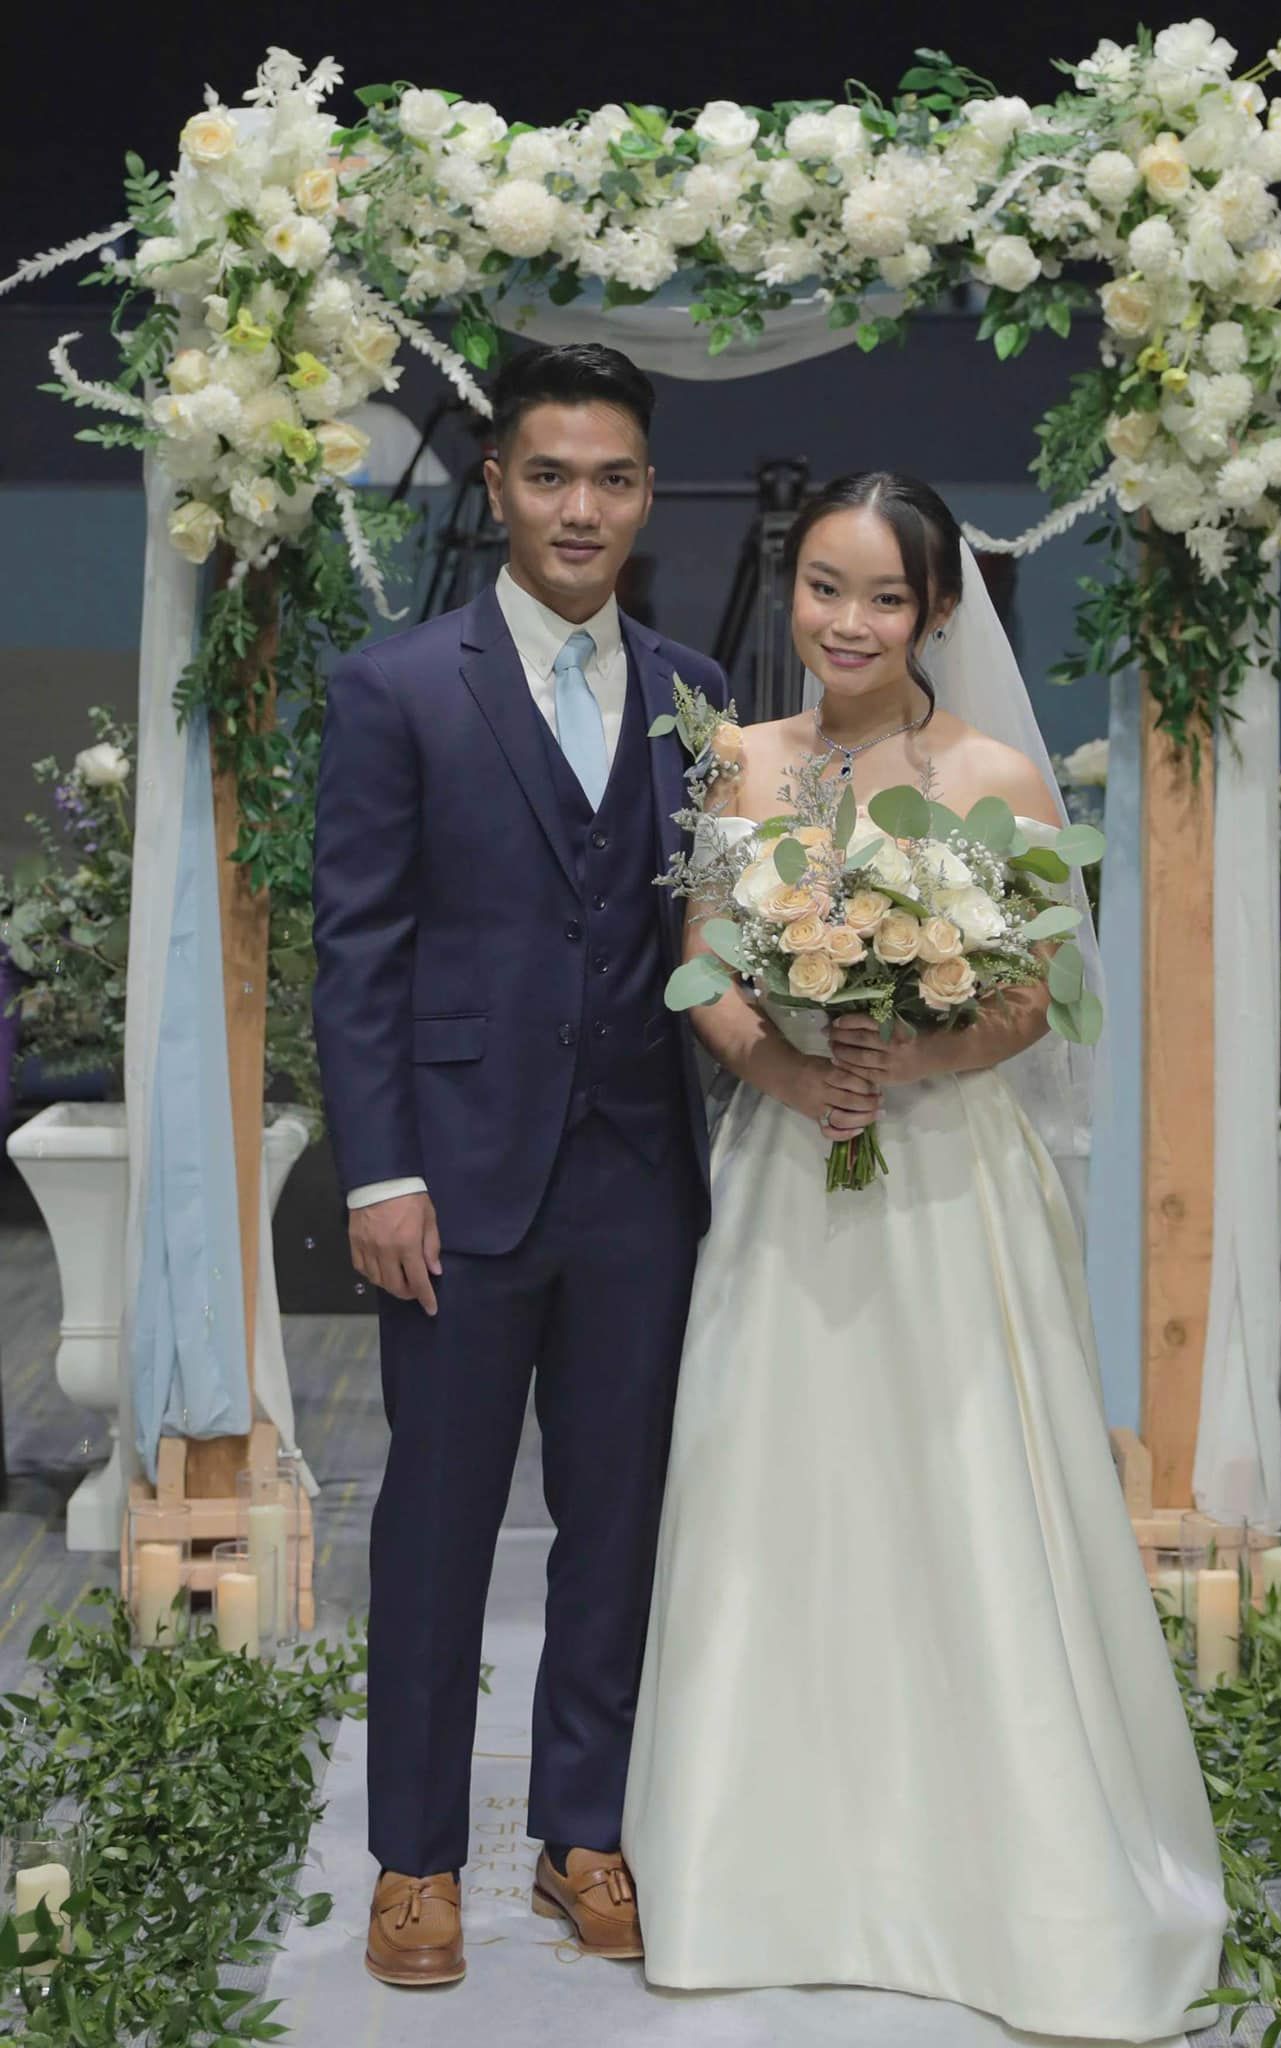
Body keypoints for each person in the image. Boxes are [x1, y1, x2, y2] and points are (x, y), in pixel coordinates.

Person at [622, 473, 1227, 2039]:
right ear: (793, 589)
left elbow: (1025, 1001)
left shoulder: (998, 778)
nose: (845, 621)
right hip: (781, 1167)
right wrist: (785, 1070)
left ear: (937, 612)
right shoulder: (737, 763)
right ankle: (759, 1874)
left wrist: (906, 1058)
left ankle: (996, 1871)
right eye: (824, 587)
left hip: (947, 1178)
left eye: (883, 597)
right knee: (783, 1495)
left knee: (952, 1490)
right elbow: (700, 962)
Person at [311, 343, 760, 1986]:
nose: (582, 507)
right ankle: (415, 1861)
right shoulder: (397, 687)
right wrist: (377, 1177)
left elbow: (715, 935)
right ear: (495, 485)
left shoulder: (695, 692)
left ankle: (585, 1834)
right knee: (430, 1530)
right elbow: (355, 949)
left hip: (641, 1177)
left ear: (646, 496)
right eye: (550, 475)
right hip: (457, 1180)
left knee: (620, 1521)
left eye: (614, 479)